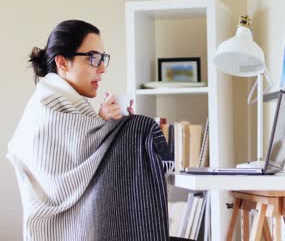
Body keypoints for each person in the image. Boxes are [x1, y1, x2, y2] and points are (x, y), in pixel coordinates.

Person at [7, 20, 173, 241]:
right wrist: (114, 129)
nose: (102, 68)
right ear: (62, 62)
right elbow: (60, 178)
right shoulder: (48, 104)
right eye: (93, 58)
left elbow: (83, 154)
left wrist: (106, 123)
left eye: (103, 59)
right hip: (59, 232)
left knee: (136, 129)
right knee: (139, 129)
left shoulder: (66, 101)